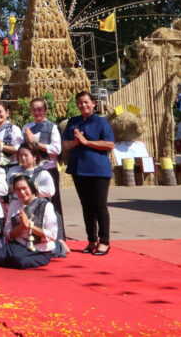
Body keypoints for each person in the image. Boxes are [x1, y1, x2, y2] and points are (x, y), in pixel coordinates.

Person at [63, 91, 115, 255]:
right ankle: (91, 239)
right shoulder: (73, 122)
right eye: (79, 103)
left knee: (99, 205)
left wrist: (86, 142)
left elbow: (110, 144)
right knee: (86, 206)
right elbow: (66, 144)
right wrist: (76, 142)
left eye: (86, 102)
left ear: (93, 103)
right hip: (79, 169)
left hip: (98, 169)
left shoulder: (101, 122)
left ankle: (105, 241)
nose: (83, 105)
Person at [0, 174, 58, 269]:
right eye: (18, 189)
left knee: (19, 261)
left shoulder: (46, 205)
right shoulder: (14, 204)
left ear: (31, 188)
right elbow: (7, 232)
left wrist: (30, 226)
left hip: (39, 248)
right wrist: (21, 228)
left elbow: (52, 235)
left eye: (24, 188)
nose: (22, 192)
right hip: (19, 244)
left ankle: (57, 248)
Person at [23, 97, 63, 222]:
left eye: (40, 109)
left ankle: (58, 235)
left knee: (52, 202)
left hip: (48, 168)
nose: (37, 112)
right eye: (34, 110)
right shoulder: (27, 127)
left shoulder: (52, 127)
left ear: (45, 110)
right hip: (31, 169)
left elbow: (56, 149)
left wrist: (35, 142)